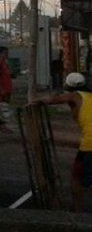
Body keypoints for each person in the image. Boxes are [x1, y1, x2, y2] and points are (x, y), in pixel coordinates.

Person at [35, 72, 92, 212]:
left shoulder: (74, 96)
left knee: (76, 177)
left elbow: (52, 100)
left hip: (89, 143)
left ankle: (78, 212)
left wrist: (39, 101)